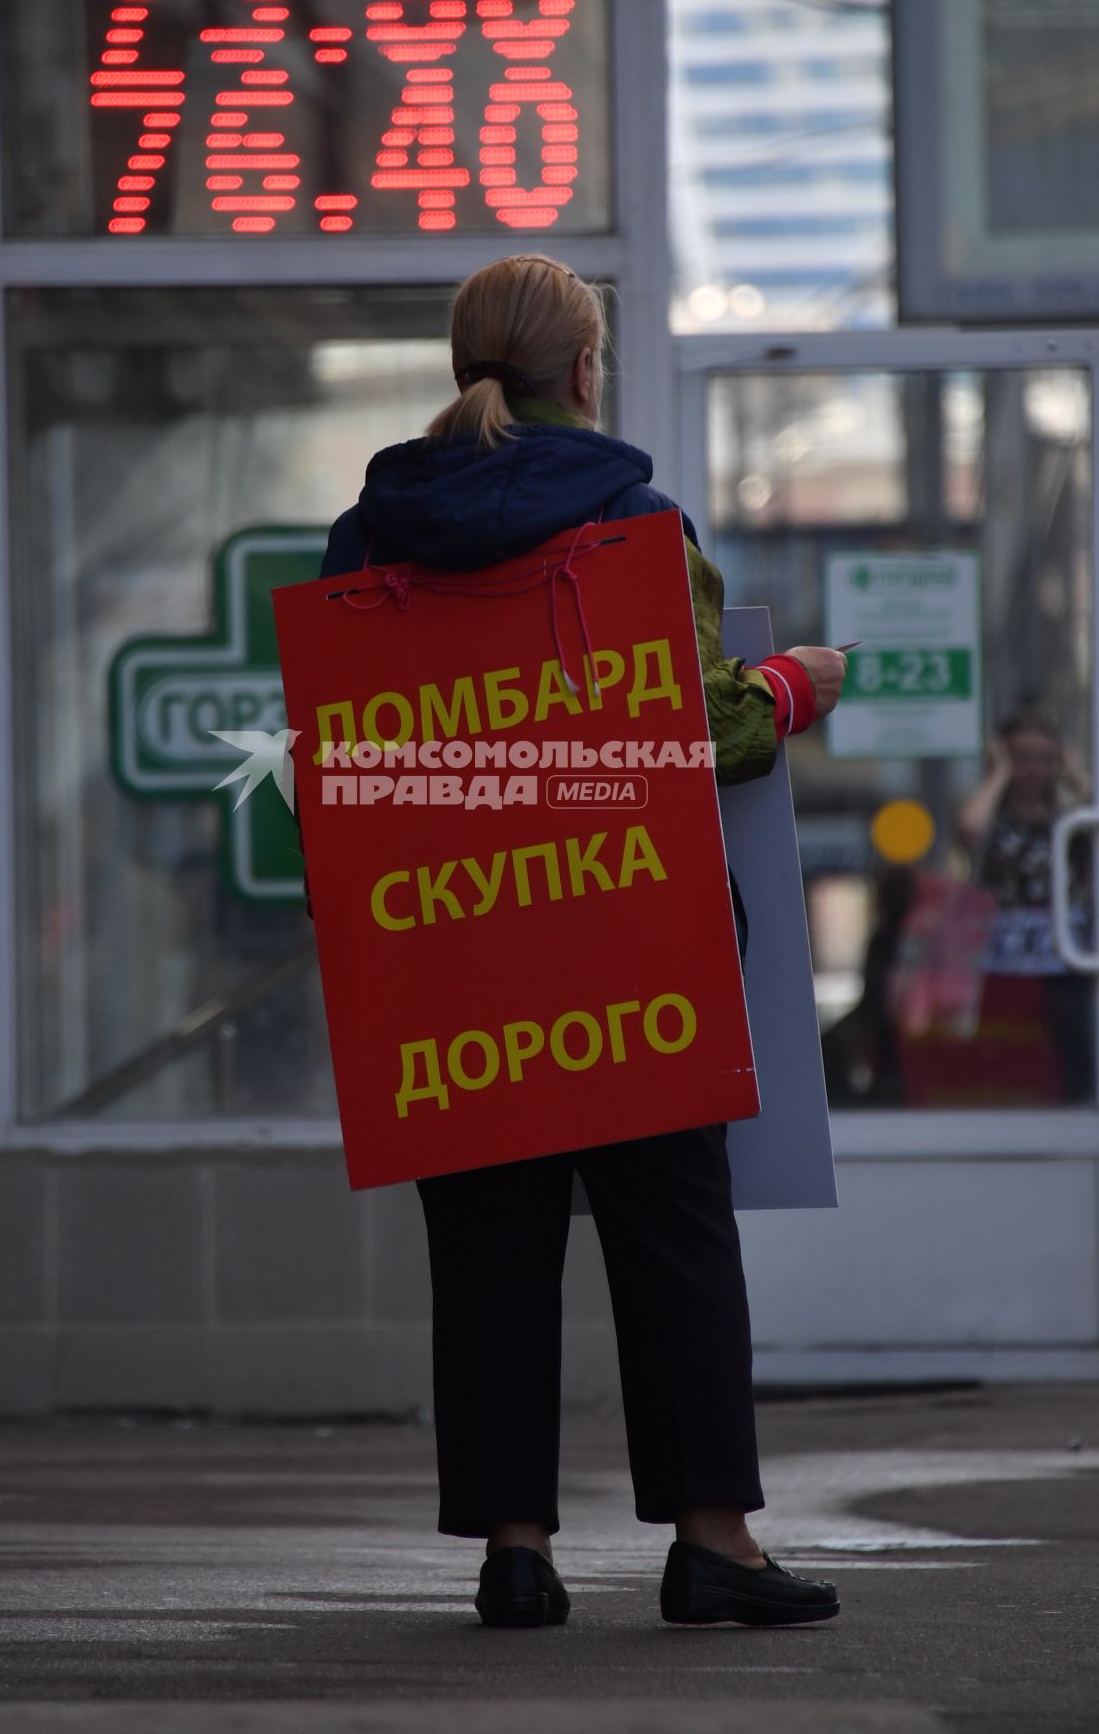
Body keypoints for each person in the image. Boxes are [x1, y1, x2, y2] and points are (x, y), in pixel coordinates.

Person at [321, 254, 847, 1629]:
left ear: (466, 370)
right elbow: (702, 731)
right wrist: (795, 687)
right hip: (627, 937)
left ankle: (513, 1549)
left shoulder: (366, 538)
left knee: (488, 1248)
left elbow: (341, 754)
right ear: (586, 370)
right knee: (671, 1236)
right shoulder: (630, 517)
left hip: (448, 948)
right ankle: (710, 1542)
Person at [953, 707, 1093, 1104]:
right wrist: (998, 775)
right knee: (1006, 1044)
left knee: (1069, 1044)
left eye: (1044, 759)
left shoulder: (1072, 814)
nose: (1034, 770)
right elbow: (968, 829)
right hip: (1003, 953)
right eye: (1023, 758)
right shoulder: (994, 811)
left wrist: (1074, 773)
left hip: (1063, 954)